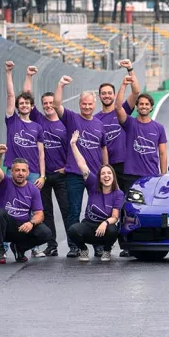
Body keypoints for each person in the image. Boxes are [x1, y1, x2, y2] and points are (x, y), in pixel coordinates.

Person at [53, 75, 109, 258]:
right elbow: (56, 105)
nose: (87, 107)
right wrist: (60, 85)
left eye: (90, 104)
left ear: (95, 105)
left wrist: (106, 169)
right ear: (79, 104)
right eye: (84, 104)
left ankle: (98, 245)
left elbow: (103, 148)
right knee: (74, 211)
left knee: (96, 211)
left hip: (94, 175)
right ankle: (74, 246)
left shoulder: (99, 124)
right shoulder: (71, 118)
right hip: (75, 174)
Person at [114, 75, 167, 258]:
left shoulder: (159, 128)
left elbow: (162, 153)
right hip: (131, 175)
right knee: (130, 211)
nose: (143, 106)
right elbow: (118, 108)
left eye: (146, 104)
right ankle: (128, 245)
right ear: (136, 106)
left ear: (151, 107)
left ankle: (152, 240)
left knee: (151, 210)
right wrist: (123, 85)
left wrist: (164, 174)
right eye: (140, 104)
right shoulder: (130, 123)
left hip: (152, 177)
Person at [22, 65, 68, 258]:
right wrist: (29, 76)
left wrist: (67, 168)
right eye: (45, 103)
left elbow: (74, 149)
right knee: (46, 212)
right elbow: (25, 95)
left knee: (67, 211)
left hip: (61, 174)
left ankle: (74, 244)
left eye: (51, 103)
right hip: (42, 176)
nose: (49, 105)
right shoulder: (38, 120)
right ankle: (52, 245)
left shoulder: (65, 122)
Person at [66, 131, 124, 262]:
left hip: (104, 228)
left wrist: (105, 223)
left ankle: (107, 250)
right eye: (103, 174)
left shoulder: (118, 194)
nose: (106, 176)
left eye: (109, 173)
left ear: (113, 176)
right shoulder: (93, 184)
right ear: (99, 177)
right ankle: (83, 249)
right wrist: (73, 144)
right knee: (73, 230)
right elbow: (82, 164)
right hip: (89, 226)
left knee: (113, 230)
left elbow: (115, 217)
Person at [0, 144, 52, 264]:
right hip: (5, 228)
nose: (20, 173)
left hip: (23, 228)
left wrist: (31, 223)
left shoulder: (33, 189)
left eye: (23, 170)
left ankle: (20, 248)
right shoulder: (4, 183)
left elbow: (39, 214)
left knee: (46, 233)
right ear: (11, 172)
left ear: (28, 173)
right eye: (17, 170)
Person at [96, 59, 140, 188]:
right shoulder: (96, 119)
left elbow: (136, 92)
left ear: (115, 95)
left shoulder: (122, 111)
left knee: (128, 200)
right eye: (103, 93)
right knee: (111, 202)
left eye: (109, 93)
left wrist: (130, 69)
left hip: (126, 164)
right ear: (99, 96)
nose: (107, 96)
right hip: (107, 167)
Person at [4, 60, 45, 187]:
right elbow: (11, 96)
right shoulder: (12, 120)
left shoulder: (37, 127)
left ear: (32, 106)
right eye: (21, 103)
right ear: (17, 107)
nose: (24, 105)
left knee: (32, 206)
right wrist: (9, 72)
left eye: (27, 103)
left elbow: (41, 153)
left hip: (33, 172)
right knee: (12, 204)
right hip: (13, 171)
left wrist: (42, 176)